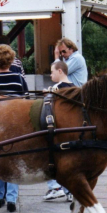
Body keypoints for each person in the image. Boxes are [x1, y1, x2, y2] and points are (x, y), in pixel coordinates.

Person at [0, 45, 27, 212]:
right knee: (14, 160)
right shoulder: (18, 78)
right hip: (16, 124)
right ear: (11, 60)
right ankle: (12, 199)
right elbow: (26, 100)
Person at [43, 60, 75, 202]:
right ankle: (70, 190)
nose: (51, 75)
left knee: (51, 159)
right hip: (71, 128)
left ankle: (55, 187)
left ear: (60, 71)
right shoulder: (75, 87)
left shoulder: (56, 88)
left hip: (57, 128)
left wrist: (47, 93)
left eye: (52, 71)